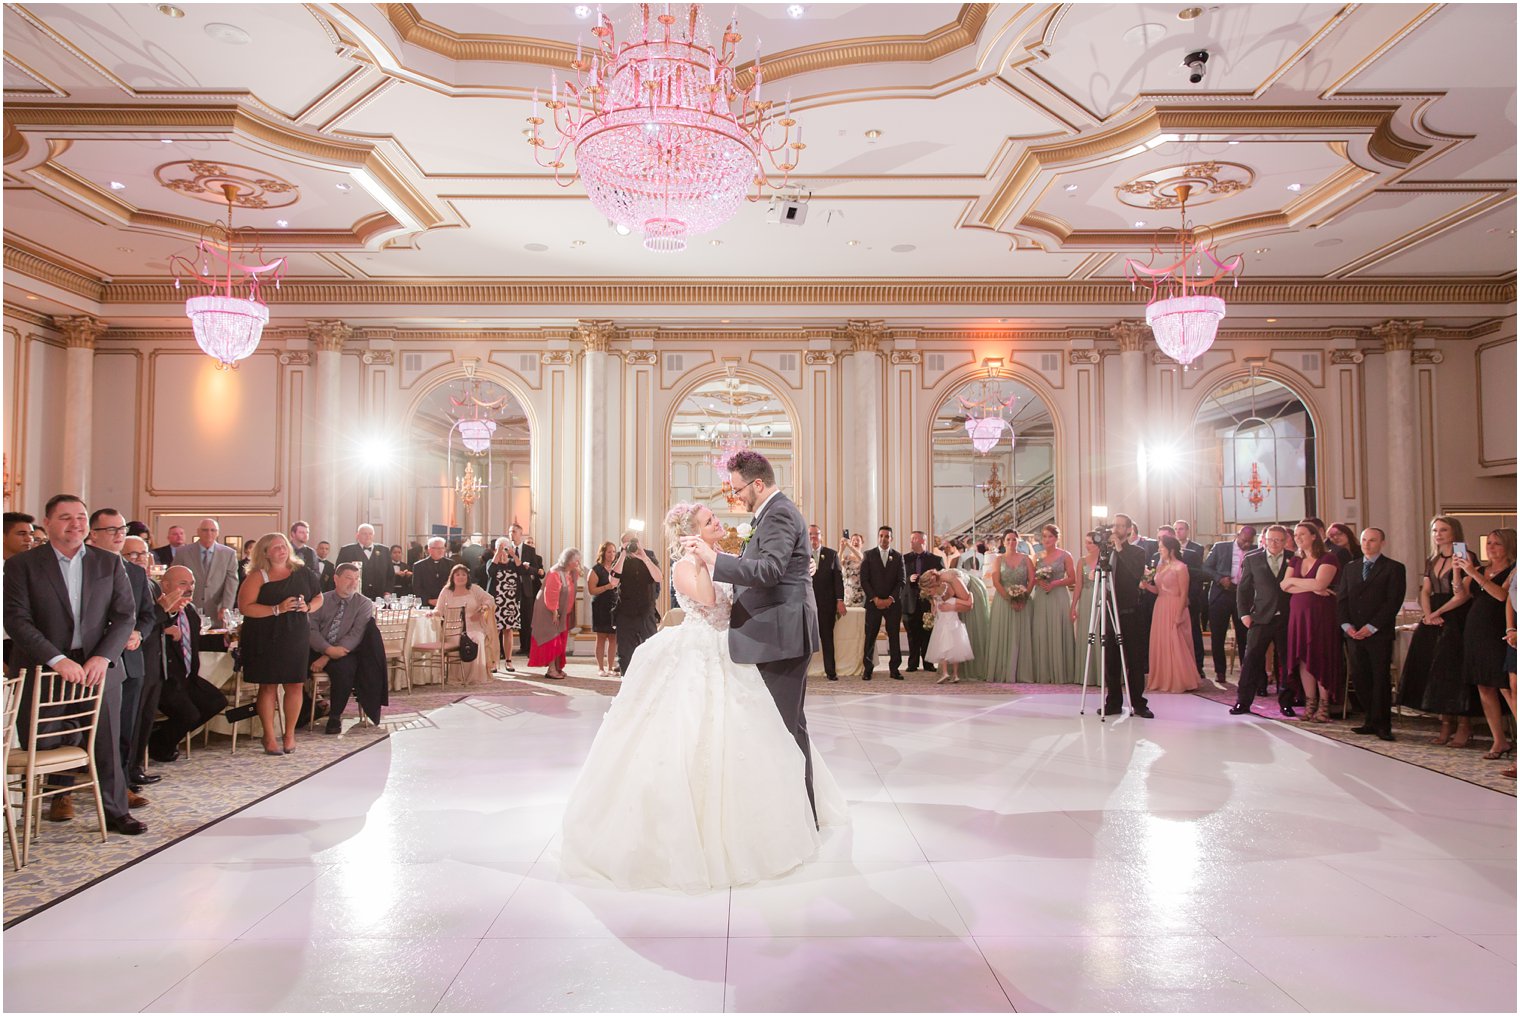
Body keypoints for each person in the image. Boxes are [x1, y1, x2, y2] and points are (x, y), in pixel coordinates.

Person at [563, 502, 845, 892]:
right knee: (691, 730)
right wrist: (710, 561)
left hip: (732, 650)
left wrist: (791, 570)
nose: (718, 522)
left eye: (714, 518)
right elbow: (712, 602)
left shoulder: (722, 557)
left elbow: (754, 579)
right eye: (709, 521)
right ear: (692, 533)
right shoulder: (684, 566)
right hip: (699, 650)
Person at [686, 450, 826, 815]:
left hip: (780, 635)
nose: (736, 497)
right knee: (789, 727)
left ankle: (792, 816)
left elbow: (769, 571)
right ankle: (799, 813)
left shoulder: (778, 512)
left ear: (758, 483)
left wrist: (715, 560)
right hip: (777, 633)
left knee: (781, 730)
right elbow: (775, 566)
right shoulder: (772, 514)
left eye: (737, 490)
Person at [2, 493, 144, 834]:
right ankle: (46, 805)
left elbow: (125, 616)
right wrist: (57, 659)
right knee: (47, 743)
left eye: (80, 516)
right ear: (47, 523)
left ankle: (115, 811)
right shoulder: (22, 565)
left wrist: (102, 657)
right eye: (66, 517)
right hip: (45, 666)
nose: (75, 523)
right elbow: (16, 620)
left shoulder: (108, 562)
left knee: (108, 742)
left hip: (99, 667)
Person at [85, 510, 155, 810]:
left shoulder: (136, 572)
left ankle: (122, 785)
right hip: (89, 659)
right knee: (79, 727)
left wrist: (138, 632)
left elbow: (147, 615)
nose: (118, 533)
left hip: (129, 659)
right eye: (111, 529)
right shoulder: (83, 568)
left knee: (124, 726)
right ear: (93, 534)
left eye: (122, 528)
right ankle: (62, 792)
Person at [236, 532, 323, 755]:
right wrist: (277, 609)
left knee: (295, 684)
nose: (281, 550)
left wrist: (308, 608)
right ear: (264, 552)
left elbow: (319, 597)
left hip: (295, 634)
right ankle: (268, 735)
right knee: (268, 686)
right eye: (275, 547)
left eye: (283, 546)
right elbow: (245, 607)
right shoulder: (258, 575)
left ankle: (290, 734)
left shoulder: (303, 572)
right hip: (265, 635)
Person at [1400, 516, 1474, 746]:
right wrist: (1428, 612)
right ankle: (1445, 725)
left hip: (1456, 614)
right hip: (1433, 615)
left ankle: (1464, 726)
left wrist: (1437, 612)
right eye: (1435, 530)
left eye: (1443, 530)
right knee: (1434, 671)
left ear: (1455, 532)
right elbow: (1425, 589)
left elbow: (1464, 594)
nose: (1438, 534)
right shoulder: (1432, 559)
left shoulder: (1464, 555)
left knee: (1454, 672)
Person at [151, 565, 228, 761]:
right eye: (183, 583)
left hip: (187, 677)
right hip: (165, 680)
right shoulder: (158, 612)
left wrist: (225, 641)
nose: (189, 587)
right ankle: (159, 745)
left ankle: (160, 736)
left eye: (192, 583)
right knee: (189, 714)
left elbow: (196, 641)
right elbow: (145, 632)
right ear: (165, 585)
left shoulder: (190, 611)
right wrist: (164, 629)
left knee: (216, 702)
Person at [1338, 528, 1407, 740]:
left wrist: (1372, 626)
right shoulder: (1351, 567)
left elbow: (1393, 601)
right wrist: (1346, 625)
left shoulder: (1393, 568)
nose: (1367, 544)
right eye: (1364, 540)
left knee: (1380, 680)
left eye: (1372, 540)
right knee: (1360, 679)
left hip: (1378, 633)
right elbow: (1342, 599)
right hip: (1354, 633)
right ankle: (1369, 719)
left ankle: (1383, 724)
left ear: (1382, 543)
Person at [1454, 529, 1516, 760]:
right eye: (1489, 543)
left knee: (1506, 687)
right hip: (1475, 633)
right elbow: (1460, 594)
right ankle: (1499, 740)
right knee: (1484, 686)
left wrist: (1474, 573)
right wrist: (1457, 571)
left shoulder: (1513, 570)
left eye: (1496, 543)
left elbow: (1501, 596)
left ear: (1508, 545)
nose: (1491, 547)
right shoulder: (1480, 570)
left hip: (1497, 632)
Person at [1231, 525, 1294, 715]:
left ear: (1284, 541)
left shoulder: (1294, 559)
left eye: (1278, 540)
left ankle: (1286, 703)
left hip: (1287, 617)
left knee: (1286, 662)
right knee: (1251, 660)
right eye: (1271, 539)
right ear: (1264, 540)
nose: (1274, 543)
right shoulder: (1252, 559)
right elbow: (1243, 590)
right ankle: (1243, 702)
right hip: (1260, 617)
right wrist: (1244, 614)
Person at [1283, 521, 1342, 722]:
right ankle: (1310, 702)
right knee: (1302, 658)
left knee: (1320, 654)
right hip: (1298, 614)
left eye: (1302, 534)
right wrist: (1311, 586)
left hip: (1321, 614)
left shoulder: (1328, 558)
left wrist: (1298, 583)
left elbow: (1321, 583)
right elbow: (1284, 585)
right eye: (1296, 535)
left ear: (1314, 536)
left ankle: (1324, 705)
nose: (1298, 538)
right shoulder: (1295, 560)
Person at [306, 561, 376, 731]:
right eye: (348, 578)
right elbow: (310, 629)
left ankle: (335, 716)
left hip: (346, 651)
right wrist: (327, 650)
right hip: (317, 647)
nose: (353, 583)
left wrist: (327, 656)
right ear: (336, 579)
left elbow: (356, 635)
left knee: (344, 670)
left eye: (356, 579)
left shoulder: (364, 603)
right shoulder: (321, 600)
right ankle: (304, 712)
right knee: (292, 664)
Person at [120, 536, 166, 791]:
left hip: (152, 659)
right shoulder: (121, 580)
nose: (140, 559)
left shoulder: (150, 583)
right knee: (131, 719)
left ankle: (136, 767)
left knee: (145, 717)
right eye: (132, 555)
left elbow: (153, 619)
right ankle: (127, 772)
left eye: (144, 554)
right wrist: (164, 610)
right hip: (134, 656)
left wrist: (167, 611)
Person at [1102, 515, 1152, 717]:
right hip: (1110, 611)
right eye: (1115, 525)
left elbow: (1135, 574)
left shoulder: (1137, 552)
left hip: (1130, 611)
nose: (1117, 529)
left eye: (1121, 526)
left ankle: (1138, 703)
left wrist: (1121, 550)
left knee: (1135, 659)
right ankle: (1113, 702)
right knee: (1111, 660)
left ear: (1129, 529)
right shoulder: (1107, 552)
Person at [1142, 534, 1201, 693]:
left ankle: (1180, 679)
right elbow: (1157, 590)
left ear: (1171, 549)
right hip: (1160, 606)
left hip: (1175, 605)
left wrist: (1179, 614)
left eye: (1162, 548)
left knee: (1176, 642)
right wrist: (1146, 584)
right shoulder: (1160, 567)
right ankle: (1162, 678)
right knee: (1161, 643)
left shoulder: (1181, 567)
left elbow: (1183, 593)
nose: (1159, 550)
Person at [1202, 525, 1257, 686]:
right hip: (1222, 594)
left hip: (1243, 596)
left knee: (1244, 636)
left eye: (1249, 541)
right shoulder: (1221, 547)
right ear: (1237, 535)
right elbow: (1205, 568)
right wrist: (1220, 578)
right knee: (1218, 635)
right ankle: (1220, 671)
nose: (1246, 544)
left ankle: (1245, 671)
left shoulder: (1255, 550)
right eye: (1243, 540)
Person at [436, 563, 499, 685]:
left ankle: (476, 676)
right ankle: (457, 676)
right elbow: (439, 610)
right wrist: (432, 614)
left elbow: (490, 599)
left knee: (477, 638)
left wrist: (482, 609)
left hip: (474, 625)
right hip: (452, 629)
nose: (461, 577)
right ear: (452, 577)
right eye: (458, 574)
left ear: (467, 577)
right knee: (456, 641)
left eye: (464, 574)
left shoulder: (474, 589)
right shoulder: (446, 591)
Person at [1029, 524, 1077, 683]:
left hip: (1058, 595)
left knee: (1058, 628)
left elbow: (1072, 578)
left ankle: (1061, 672)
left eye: (1050, 536)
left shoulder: (1065, 555)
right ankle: (1044, 672)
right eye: (1044, 536)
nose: (1047, 539)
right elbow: (1031, 578)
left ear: (1056, 538)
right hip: (1042, 596)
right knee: (1041, 630)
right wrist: (1038, 581)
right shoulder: (1037, 556)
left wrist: (1055, 583)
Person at [985, 530, 1035, 682]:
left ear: (1018, 541)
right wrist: (1009, 598)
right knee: (1004, 635)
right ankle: (1003, 671)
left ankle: (1021, 672)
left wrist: (1023, 597)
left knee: (1021, 636)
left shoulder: (1026, 559)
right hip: (1003, 601)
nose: (1011, 542)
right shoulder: (998, 560)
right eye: (1008, 540)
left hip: (1023, 601)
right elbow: (996, 582)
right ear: (1003, 542)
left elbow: (1032, 579)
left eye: (1014, 539)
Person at [611, 531, 663, 675]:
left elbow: (659, 577)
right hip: (625, 613)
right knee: (625, 652)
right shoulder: (620, 557)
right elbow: (613, 582)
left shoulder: (649, 555)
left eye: (633, 541)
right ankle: (626, 679)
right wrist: (622, 554)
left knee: (650, 648)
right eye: (628, 543)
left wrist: (644, 557)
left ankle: (648, 679)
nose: (632, 545)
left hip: (646, 611)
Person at [860, 525, 906, 681]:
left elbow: (902, 581)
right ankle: (868, 669)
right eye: (881, 536)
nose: (884, 539)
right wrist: (875, 599)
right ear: (878, 537)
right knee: (870, 636)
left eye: (887, 536)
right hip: (873, 603)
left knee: (893, 636)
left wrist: (890, 599)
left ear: (891, 538)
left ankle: (894, 669)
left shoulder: (899, 557)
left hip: (892, 604)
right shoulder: (868, 555)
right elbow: (864, 580)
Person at [174, 517, 239, 625]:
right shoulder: (183, 552)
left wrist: (226, 607)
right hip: (188, 608)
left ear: (217, 533)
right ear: (198, 532)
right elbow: (175, 579)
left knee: (214, 641)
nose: (209, 533)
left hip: (216, 611)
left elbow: (232, 582)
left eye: (213, 530)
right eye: (205, 530)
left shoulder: (229, 554)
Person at [530, 550, 581, 679]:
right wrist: (554, 611)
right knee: (552, 639)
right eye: (576, 560)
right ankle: (551, 669)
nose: (578, 563)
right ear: (569, 561)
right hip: (549, 611)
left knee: (561, 639)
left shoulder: (571, 572)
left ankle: (558, 667)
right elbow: (551, 593)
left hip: (563, 611)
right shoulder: (555, 572)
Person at [901, 531, 943, 673]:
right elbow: (898, 579)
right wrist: (908, 579)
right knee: (912, 634)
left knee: (927, 634)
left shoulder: (936, 560)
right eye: (911, 539)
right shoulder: (903, 559)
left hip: (928, 603)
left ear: (923, 541)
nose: (911, 541)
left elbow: (941, 581)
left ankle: (928, 663)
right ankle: (912, 664)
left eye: (914, 539)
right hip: (909, 603)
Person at [808, 524, 845, 681]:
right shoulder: (800, 554)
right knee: (805, 640)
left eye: (816, 535)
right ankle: (802, 672)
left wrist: (840, 600)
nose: (813, 538)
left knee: (827, 639)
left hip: (826, 606)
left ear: (821, 536)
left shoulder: (831, 554)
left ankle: (831, 672)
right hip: (807, 605)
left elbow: (838, 579)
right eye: (810, 535)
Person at [923, 569, 973, 684]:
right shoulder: (938, 599)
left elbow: (968, 603)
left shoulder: (952, 600)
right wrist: (933, 607)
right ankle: (948, 673)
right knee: (944, 648)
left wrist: (970, 596)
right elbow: (935, 611)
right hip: (942, 626)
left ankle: (954, 674)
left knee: (952, 650)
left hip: (953, 626)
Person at [1172, 520, 1209, 679]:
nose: (1178, 532)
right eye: (1176, 529)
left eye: (1181, 529)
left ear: (1187, 531)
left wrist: (1181, 568)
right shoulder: (1169, 548)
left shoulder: (1196, 549)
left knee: (1194, 630)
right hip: (1172, 595)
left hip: (1192, 595)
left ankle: (1198, 665)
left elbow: (1200, 573)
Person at [486, 538, 523, 672]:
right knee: (495, 632)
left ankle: (508, 661)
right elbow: (490, 572)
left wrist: (514, 555)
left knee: (508, 631)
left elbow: (521, 571)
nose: (503, 552)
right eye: (500, 549)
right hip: (496, 603)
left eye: (505, 549)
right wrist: (498, 553)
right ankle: (494, 661)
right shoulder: (492, 562)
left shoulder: (513, 563)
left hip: (510, 602)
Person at [584, 541, 619, 677]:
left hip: (614, 605)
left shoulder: (617, 568)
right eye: (609, 551)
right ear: (603, 553)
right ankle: (600, 668)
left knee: (613, 638)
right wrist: (607, 587)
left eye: (614, 551)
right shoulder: (596, 569)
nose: (612, 554)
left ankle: (610, 667)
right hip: (600, 605)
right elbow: (592, 590)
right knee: (601, 637)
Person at [512, 524, 546, 657]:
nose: (511, 534)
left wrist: (526, 568)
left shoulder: (529, 551)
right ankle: (522, 646)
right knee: (517, 620)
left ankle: (529, 648)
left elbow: (537, 570)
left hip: (527, 588)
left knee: (528, 619)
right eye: (510, 532)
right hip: (511, 589)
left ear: (521, 533)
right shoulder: (506, 549)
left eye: (514, 531)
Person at [1072, 531, 1101, 682]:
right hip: (1086, 599)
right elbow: (1078, 585)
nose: (1087, 546)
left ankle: (1103, 674)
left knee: (1101, 632)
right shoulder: (1081, 561)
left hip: (1101, 597)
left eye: (1090, 543)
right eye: (1086, 542)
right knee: (1086, 633)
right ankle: (1088, 675)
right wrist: (1073, 606)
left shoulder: (1105, 559)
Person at [336, 524, 392, 601]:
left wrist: (387, 592)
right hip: (353, 595)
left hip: (379, 596)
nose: (368, 536)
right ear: (357, 535)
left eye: (370, 534)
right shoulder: (347, 550)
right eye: (364, 534)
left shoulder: (384, 550)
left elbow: (390, 574)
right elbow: (339, 573)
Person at [411, 537, 455, 607]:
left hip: (447, 603)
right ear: (430, 549)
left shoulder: (451, 564)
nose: (441, 551)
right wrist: (428, 600)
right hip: (426, 604)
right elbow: (416, 587)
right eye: (438, 548)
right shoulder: (419, 566)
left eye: (442, 548)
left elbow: (454, 584)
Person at [839, 532, 865, 607]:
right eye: (853, 540)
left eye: (858, 540)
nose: (855, 542)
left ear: (862, 544)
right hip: (847, 595)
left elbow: (860, 557)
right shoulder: (846, 558)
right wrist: (841, 549)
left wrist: (849, 545)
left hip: (860, 595)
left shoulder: (864, 557)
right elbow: (837, 563)